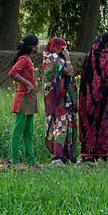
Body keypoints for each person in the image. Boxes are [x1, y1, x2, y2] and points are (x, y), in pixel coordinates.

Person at [78, 32, 108, 162]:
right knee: (105, 123)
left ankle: (86, 154)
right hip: (107, 93)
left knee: (91, 121)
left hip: (90, 94)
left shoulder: (89, 57)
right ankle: (101, 155)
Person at [42, 37, 78, 166]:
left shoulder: (48, 59)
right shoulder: (55, 60)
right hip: (59, 99)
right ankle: (57, 157)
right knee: (61, 127)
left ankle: (62, 155)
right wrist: (67, 57)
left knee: (61, 126)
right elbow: (69, 72)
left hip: (56, 98)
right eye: (63, 48)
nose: (65, 50)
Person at [9, 34, 40, 168]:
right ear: (32, 47)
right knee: (18, 130)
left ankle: (31, 160)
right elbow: (12, 73)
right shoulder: (24, 60)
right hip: (23, 98)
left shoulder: (28, 59)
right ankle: (15, 160)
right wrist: (27, 83)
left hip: (29, 99)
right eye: (38, 44)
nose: (39, 47)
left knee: (29, 131)